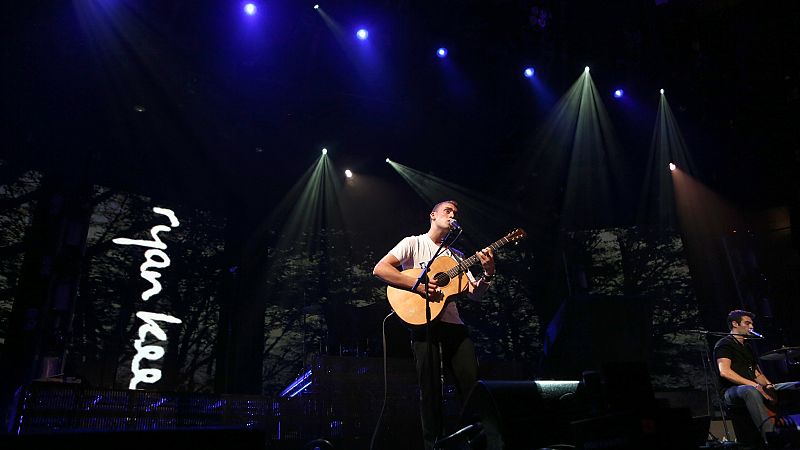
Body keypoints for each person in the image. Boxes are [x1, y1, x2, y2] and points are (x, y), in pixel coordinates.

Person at [373, 200, 495, 450]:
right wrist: (416, 285)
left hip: (454, 325)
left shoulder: (458, 256)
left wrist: (488, 273)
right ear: (433, 215)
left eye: (455, 213)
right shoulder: (413, 243)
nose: (452, 216)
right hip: (423, 324)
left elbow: (475, 294)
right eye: (447, 211)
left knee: (472, 384)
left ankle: (476, 442)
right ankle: (434, 445)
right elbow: (380, 269)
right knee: (430, 390)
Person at [714, 309, 800, 441]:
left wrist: (769, 386)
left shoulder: (747, 347)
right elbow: (725, 372)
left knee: (795, 385)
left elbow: (757, 373)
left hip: (752, 386)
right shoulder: (724, 344)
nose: (752, 326)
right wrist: (755, 386)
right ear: (735, 324)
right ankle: (770, 437)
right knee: (750, 391)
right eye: (747, 323)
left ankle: (792, 428)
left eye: (752, 323)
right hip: (730, 391)